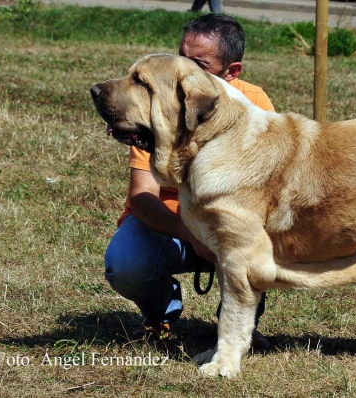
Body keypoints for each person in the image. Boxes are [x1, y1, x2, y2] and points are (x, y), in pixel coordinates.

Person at [104, 14, 274, 347]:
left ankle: (240, 328)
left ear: (231, 72)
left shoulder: (255, 104)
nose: (184, 68)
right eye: (181, 56)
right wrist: (191, 234)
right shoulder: (158, 104)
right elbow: (142, 197)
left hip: (232, 228)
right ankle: (159, 317)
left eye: (199, 63)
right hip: (174, 228)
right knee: (126, 263)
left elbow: (267, 193)